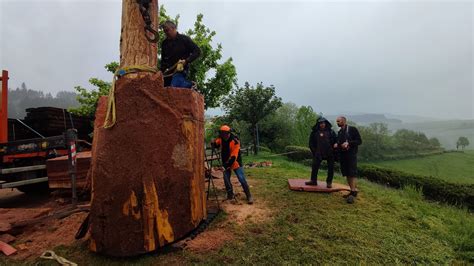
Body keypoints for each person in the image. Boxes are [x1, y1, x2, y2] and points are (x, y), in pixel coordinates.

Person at [212, 125, 254, 204]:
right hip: (225, 162)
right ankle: (230, 194)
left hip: (235, 162)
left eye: (224, 134)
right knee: (226, 179)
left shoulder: (235, 141)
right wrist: (213, 144)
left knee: (241, 178)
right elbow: (216, 143)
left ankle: (249, 195)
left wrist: (225, 166)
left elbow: (234, 156)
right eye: (222, 134)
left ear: (228, 133)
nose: (223, 135)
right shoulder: (220, 139)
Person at [160, 20, 201, 88]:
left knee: (175, 86)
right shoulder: (164, 44)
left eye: (167, 30)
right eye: (164, 31)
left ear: (174, 28)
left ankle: (191, 85)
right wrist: (160, 72)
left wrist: (186, 61)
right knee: (159, 87)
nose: (166, 33)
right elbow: (163, 61)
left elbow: (197, 51)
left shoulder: (184, 39)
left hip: (181, 69)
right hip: (169, 72)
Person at [335, 116, 362, 204]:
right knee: (347, 173)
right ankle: (352, 191)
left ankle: (353, 193)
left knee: (352, 173)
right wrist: (337, 145)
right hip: (343, 156)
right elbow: (340, 144)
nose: (337, 123)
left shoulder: (352, 129)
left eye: (338, 121)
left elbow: (359, 141)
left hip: (351, 155)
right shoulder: (339, 132)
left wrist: (349, 143)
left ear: (344, 121)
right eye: (337, 121)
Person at [306, 117, 337, 188]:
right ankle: (313, 181)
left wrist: (335, 144)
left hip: (330, 152)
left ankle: (329, 182)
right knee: (314, 167)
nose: (322, 124)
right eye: (320, 123)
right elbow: (311, 143)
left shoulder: (331, 132)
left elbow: (336, 140)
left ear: (326, 123)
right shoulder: (314, 132)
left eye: (323, 123)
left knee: (331, 168)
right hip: (318, 153)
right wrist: (314, 152)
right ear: (318, 124)